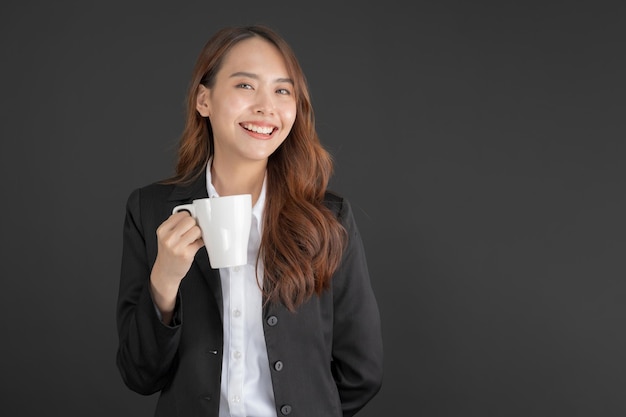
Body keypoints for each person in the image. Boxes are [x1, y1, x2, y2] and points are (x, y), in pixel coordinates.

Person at [116, 24, 383, 417]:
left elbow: (363, 372)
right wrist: (165, 281)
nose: (266, 106)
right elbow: (140, 374)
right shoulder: (151, 210)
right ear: (203, 100)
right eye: (245, 86)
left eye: (282, 90)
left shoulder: (328, 219)